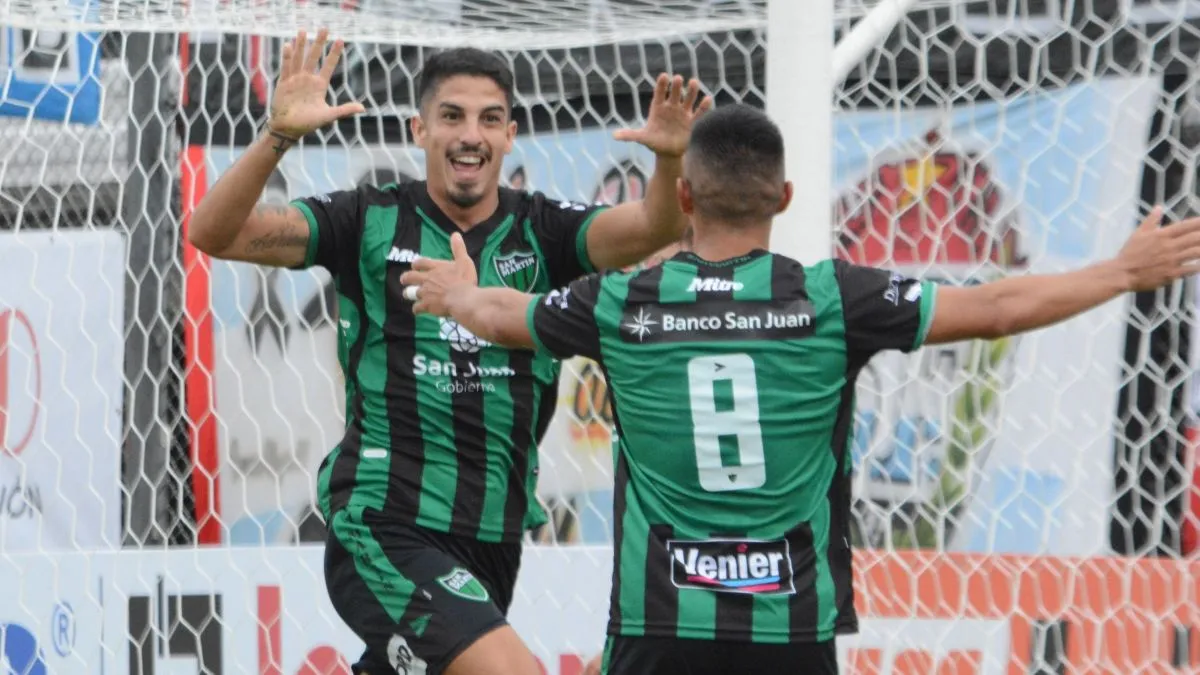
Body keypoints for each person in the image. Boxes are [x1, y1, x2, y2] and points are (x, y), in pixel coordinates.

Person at [399, 103, 1200, 674]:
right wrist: (1121, 272)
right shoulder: (832, 300)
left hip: (658, 623)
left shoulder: (620, 301)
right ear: (784, 198)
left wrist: (457, 294)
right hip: (789, 628)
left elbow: (501, 315)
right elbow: (996, 308)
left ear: (685, 198)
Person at [187, 27, 713, 675]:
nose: (471, 135)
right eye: (452, 116)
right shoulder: (366, 218)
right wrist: (278, 136)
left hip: (492, 537)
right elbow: (213, 231)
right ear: (420, 129)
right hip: (386, 522)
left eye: (489, 119)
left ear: (510, 135)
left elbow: (657, 226)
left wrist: (669, 162)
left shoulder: (544, 230)